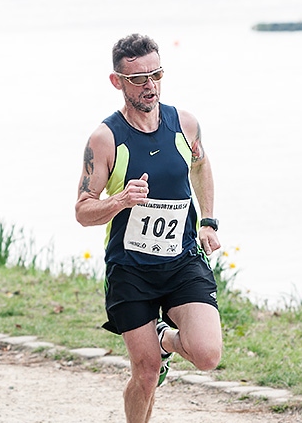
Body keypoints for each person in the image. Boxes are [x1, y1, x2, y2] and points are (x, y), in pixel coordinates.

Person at [74, 33, 222, 423]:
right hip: (131, 269)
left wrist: (207, 221)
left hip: (182, 260)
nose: (149, 85)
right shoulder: (105, 139)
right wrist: (119, 200)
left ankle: (164, 338)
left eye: (155, 74)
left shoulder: (185, 124)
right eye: (137, 78)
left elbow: (201, 166)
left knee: (207, 355)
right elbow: (82, 210)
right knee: (146, 372)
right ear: (116, 81)